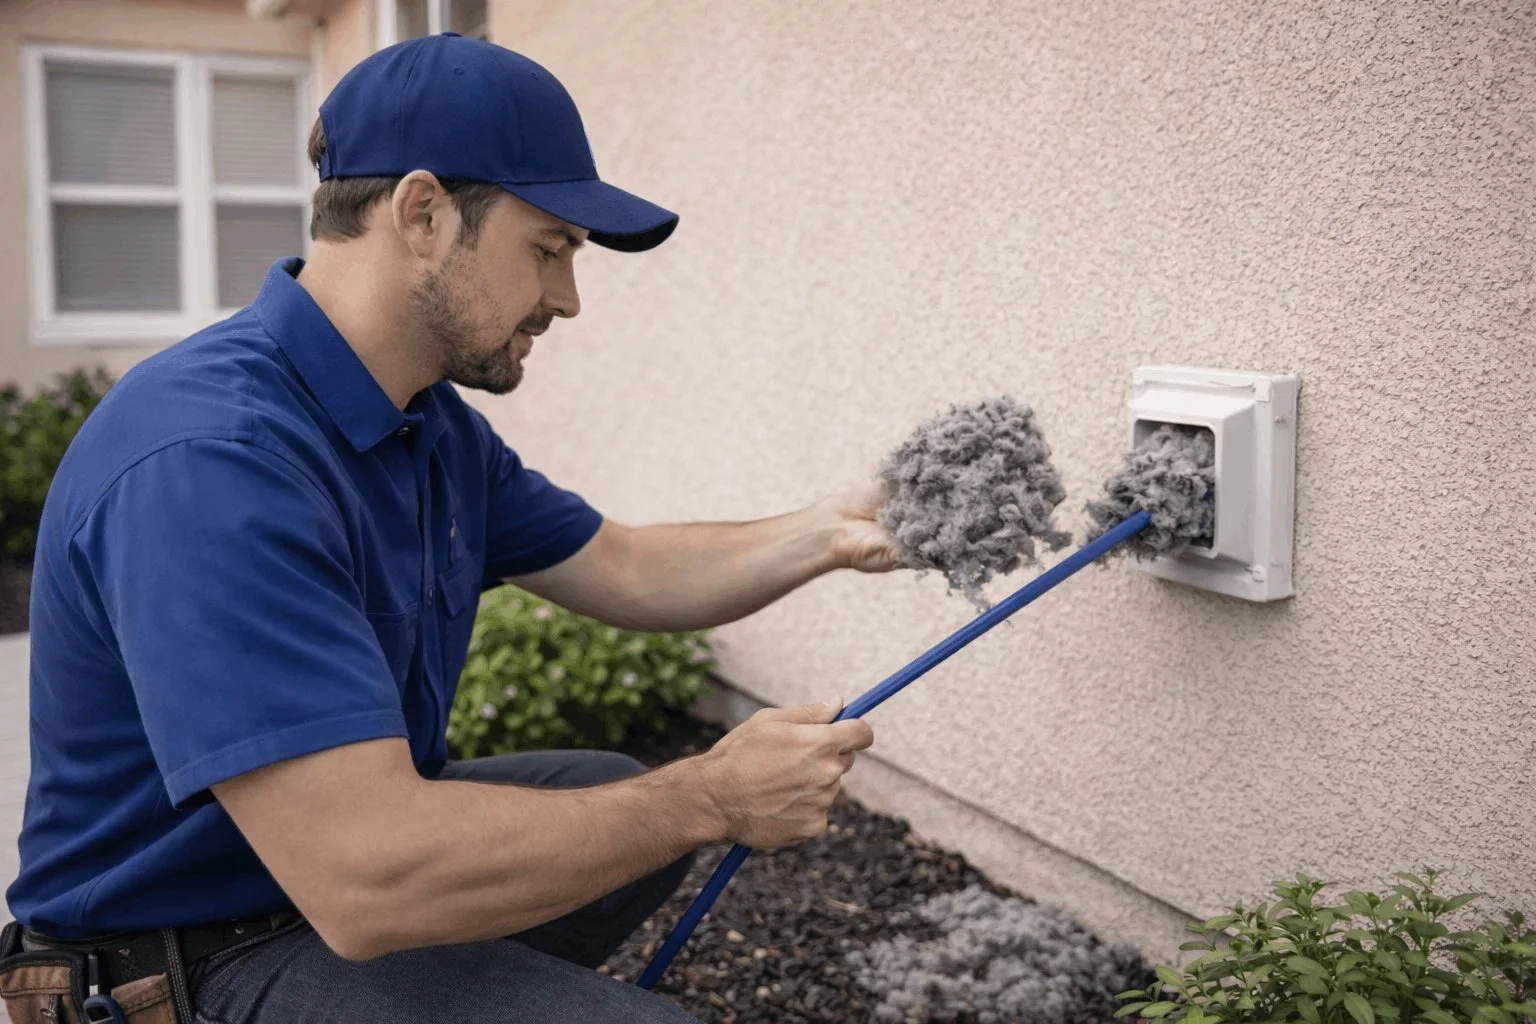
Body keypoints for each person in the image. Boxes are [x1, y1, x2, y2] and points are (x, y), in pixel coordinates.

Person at [1, 31, 903, 1024]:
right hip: (165, 966)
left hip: (292, 893)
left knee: (598, 789)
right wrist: (715, 794)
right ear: (423, 213)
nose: (566, 297)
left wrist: (831, 529)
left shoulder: (425, 424)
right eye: (549, 248)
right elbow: (369, 875)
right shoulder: (214, 460)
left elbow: (626, 564)